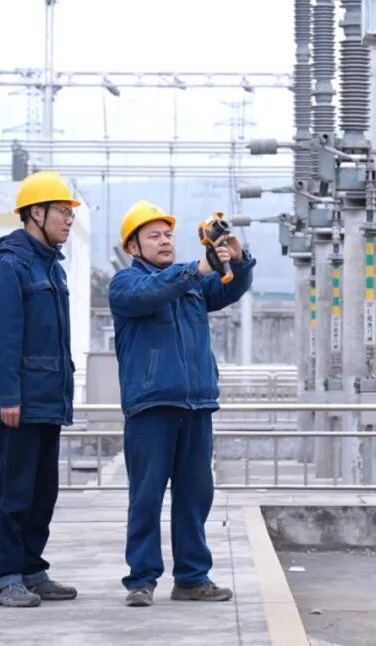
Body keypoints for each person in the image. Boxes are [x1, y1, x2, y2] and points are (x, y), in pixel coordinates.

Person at [109, 200, 256, 607]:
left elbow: (229, 288)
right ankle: (141, 579)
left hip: (196, 406)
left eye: (168, 234)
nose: (165, 241)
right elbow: (152, 292)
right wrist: (197, 268)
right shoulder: (126, 284)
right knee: (146, 497)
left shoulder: (191, 286)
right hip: (151, 408)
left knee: (195, 496)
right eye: (154, 236)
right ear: (133, 247)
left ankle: (192, 577)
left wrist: (238, 261)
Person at [0, 171, 81, 607]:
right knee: (12, 493)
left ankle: (32, 570)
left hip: (46, 401)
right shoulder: (9, 266)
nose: (69, 220)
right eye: (62, 212)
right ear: (35, 213)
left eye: (71, 214)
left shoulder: (51, 267)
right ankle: (4, 577)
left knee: (41, 493)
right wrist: (8, 396)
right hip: (17, 404)